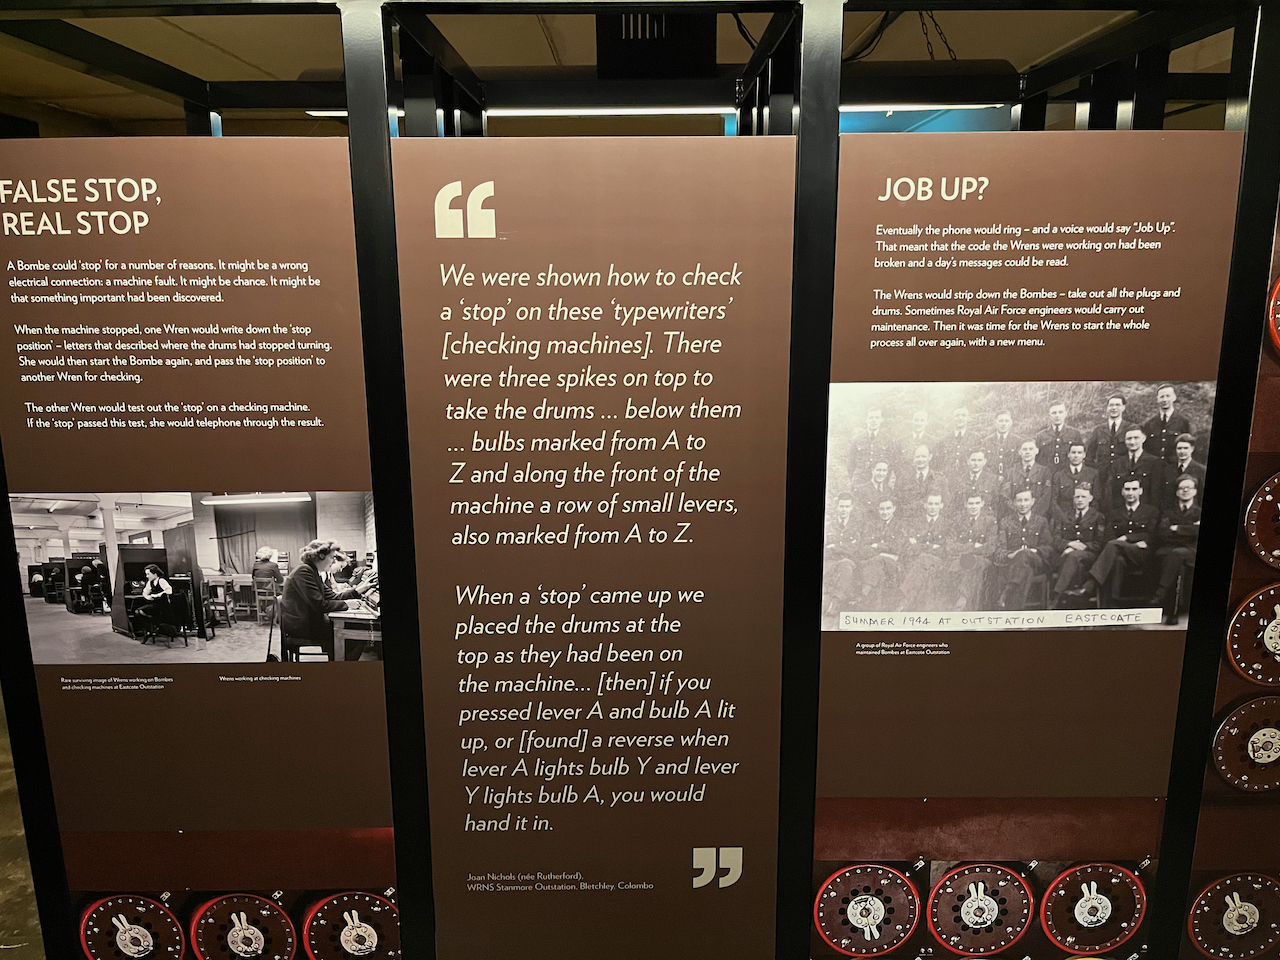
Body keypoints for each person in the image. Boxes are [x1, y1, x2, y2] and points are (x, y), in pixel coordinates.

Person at [279, 539, 377, 660]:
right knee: (357, 630)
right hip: (300, 626)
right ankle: (342, 667)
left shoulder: (313, 572)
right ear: (320, 556)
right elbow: (320, 605)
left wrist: (361, 589)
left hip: (307, 621)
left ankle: (340, 663)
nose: (334, 561)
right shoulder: (304, 571)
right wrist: (347, 605)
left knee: (356, 627)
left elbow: (333, 597)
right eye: (332, 557)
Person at [1069, 479, 1159, 606]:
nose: (1130, 492)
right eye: (1127, 489)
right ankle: (1112, 605)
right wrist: (1122, 543)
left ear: (1140, 491)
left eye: (1134, 489)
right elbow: (1109, 536)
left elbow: (1152, 535)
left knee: (1113, 545)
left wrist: (1127, 538)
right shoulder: (1115, 513)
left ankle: (1089, 587)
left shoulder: (1151, 511)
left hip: (1140, 553)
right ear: (1122, 492)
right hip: (1118, 553)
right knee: (1117, 560)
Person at [1050, 483, 1108, 605]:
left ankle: (1057, 596)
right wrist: (1070, 544)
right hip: (1066, 557)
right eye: (1077, 497)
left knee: (1074, 556)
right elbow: (1056, 539)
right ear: (1073, 498)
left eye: (1083, 497)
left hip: (1089, 557)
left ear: (1090, 498)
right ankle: (1075, 601)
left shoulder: (1098, 517)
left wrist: (1081, 547)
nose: (1080, 500)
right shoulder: (1064, 516)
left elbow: (1099, 543)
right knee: (1077, 565)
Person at [1153, 474, 1201, 624]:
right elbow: (1162, 533)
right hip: (1170, 551)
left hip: (1192, 552)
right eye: (1182, 488)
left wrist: (1177, 528)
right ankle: (1174, 612)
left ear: (1194, 491)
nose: (1185, 491)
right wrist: (1190, 529)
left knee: (1176, 555)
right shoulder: (1168, 513)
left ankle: (1160, 595)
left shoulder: (1199, 512)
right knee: (1177, 563)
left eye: (1188, 488)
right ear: (1177, 492)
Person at [995, 489, 1052, 609]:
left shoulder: (1041, 522)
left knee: (1024, 554)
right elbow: (1000, 549)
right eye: (1019, 501)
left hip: (1036, 563)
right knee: (1026, 570)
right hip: (1014, 565)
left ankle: (1007, 592)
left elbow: (1049, 548)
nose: (1022, 504)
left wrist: (1033, 551)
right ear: (1013, 503)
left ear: (1033, 501)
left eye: (1026, 500)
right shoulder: (1005, 522)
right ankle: (1015, 608)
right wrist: (1012, 554)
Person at [946, 493, 997, 610]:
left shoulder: (990, 521)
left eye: (977, 503)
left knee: (972, 563)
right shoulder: (957, 521)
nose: (974, 506)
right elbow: (949, 545)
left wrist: (963, 548)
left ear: (982, 504)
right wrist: (973, 546)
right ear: (965, 504)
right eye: (970, 503)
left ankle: (963, 600)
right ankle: (963, 603)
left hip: (982, 561)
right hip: (959, 560)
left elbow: (990, 547)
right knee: (960, 565)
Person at [901, 493, 949, 609]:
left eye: (936, 504)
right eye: (930, 504)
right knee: (925, 568)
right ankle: (923, 606)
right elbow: (909, 547)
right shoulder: (915, 522)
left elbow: (946, 549)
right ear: (925, 505)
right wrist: (932, 547)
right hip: (917, 562)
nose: (933, 507)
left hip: (938, 562)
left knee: (924, 559)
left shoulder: (948, 524)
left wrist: (919, 545)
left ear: (941, 506)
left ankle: (904, 599)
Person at [1106, 427, 1164, 512]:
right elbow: (1110, 492)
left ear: (1143, 439)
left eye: (1136, 438)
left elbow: (1156, 492)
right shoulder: (1116, 463)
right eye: (1129, 439)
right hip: (1121, 514)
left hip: (1146, 514)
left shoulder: (1154, 462)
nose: (1132, 442)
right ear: (1125, 441)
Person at [823, 494, 863, 617]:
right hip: (829, 561)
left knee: (846, 565)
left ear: (851, 507)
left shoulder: (857, 526)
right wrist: (843, 548)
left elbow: (855, 549)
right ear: (837, 507)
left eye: (847, 506)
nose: (844, 509)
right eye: (841, 506)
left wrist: (834, 547)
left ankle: (835, 603)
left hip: (848, 561)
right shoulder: (828, 525)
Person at [848, 409, 899, 487]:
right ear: (866, 420)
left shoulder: (888, 440)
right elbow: (850, 463)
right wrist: (854, 478)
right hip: (860, 480)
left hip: (880, 480)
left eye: (877, 418)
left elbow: (892, 462)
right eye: (871, 418)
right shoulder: (857, 439)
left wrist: (885, 479)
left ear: (881, 420)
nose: (874, 420)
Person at [1142, 384, 1192, 464]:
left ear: (1174, 397)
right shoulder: (1149, 424)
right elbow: (1145, 449)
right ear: (1157, 399)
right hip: (1154, 467)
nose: (1165, 399)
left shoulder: (1183, 422)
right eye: (1162, 397)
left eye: (1168, 396)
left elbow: (1190, 446)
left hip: (1175, 467)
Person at [1002, 439, 1052, 518]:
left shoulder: (1044, 471)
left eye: (1031, 449)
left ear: (1037, 451)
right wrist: (1018, 514)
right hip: (1015, 517)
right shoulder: (1010, 472)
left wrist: (1032, 516)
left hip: (1038, 517)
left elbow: (1046, 498)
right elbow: (1006, 497)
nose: (1027, 452)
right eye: (1024, 449)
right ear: (1019, 452)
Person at [1050, 442, 1099, 519]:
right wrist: (1063, 517)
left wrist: (1087, 517)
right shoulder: (1059, 475)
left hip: (1086, 520)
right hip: (1064, 518)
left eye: (1079, 453)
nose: (1076, 456)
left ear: (1084, 455)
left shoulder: (1093, 474)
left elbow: (1096, 499)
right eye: (1073, 452)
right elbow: (1054, 501)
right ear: (1068, 454)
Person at [1086, 394, 1134, 474]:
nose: (1114, 408)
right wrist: (1095, 472)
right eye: (1111, 405)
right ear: (1107, 408)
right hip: (1103, 476)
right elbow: (1089, 457)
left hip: (1124, 474)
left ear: (1123, 407)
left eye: (1117, 405)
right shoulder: (1099, 430)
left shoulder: (1131, 428)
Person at [1035, 401, 1084, 472]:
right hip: (1047, 474)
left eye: (1060, 412)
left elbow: (1080, 456)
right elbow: (1037, 459)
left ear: (1065, 414)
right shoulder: (1040, 436)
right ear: (1049, 415)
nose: (1057, 415)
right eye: (1054, 413)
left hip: (1067, 475)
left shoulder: (1075, 434)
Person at [1164, 434, 1206, 509]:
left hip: (1192, 515)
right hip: (1171, 515)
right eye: (1179, 448)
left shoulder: (1201, 470)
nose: (1182, 451)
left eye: (1186, 448)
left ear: (1192, 449)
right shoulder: (1167, 470)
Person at [982, 410, 1023, 485]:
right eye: (1001, 421)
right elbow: (984, 464)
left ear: (1011, 423)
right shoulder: (987, 441)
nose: (1003, 424)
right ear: (995, 423)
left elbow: (1019, 464)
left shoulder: (1018, 441)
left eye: (1006, 421)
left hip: (1011, 481)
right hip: (991, 481)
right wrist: (993, 478)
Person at [898, 445, 945, 510]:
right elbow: (898, 502)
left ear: (930, 457)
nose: (920, 459)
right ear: (913, 457)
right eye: (918, 457)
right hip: (909, 517)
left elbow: (945, 502)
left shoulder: (939, 479)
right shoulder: (904, 478)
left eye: (923, 456)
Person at [134, 563, 174, 638]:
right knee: (138, 612)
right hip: (155, 605)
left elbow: (169, 591)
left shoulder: (161, 581)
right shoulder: (150, 582)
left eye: (148, 574)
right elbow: (145, 592)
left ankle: (155, 627)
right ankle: (152, 628)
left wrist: (157, 595)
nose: (147, 576)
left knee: (141, 612)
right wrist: (147, 597)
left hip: (163, 606)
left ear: (155, 574)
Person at [935, 406, 977, 477]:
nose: (960, 418)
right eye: (957, 415)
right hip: (947, 479)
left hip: (968, 479)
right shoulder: (944, 439)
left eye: (963, 415)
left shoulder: (975, 438)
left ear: (968, 418)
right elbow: (939, 463)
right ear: (953, 418)